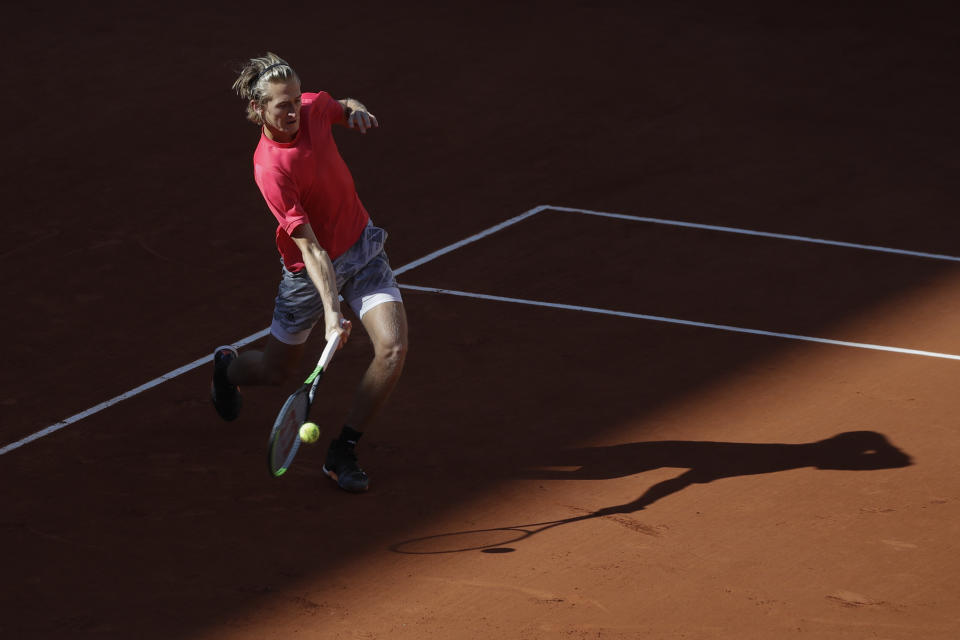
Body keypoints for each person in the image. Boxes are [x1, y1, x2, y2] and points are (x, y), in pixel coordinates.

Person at [211, 52, 408, 493]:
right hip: (309, 273)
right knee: (276, 372)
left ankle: (344, 449)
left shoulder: (311, 107)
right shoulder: (271, 170)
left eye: (296, 99)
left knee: (392, 349)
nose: (294, 109)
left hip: (363, 248)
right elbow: (312, 249)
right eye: (282, 105)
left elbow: (341, 105)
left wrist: (356, 111)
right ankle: (227, 370)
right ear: (257, 110)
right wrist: (332, 310)